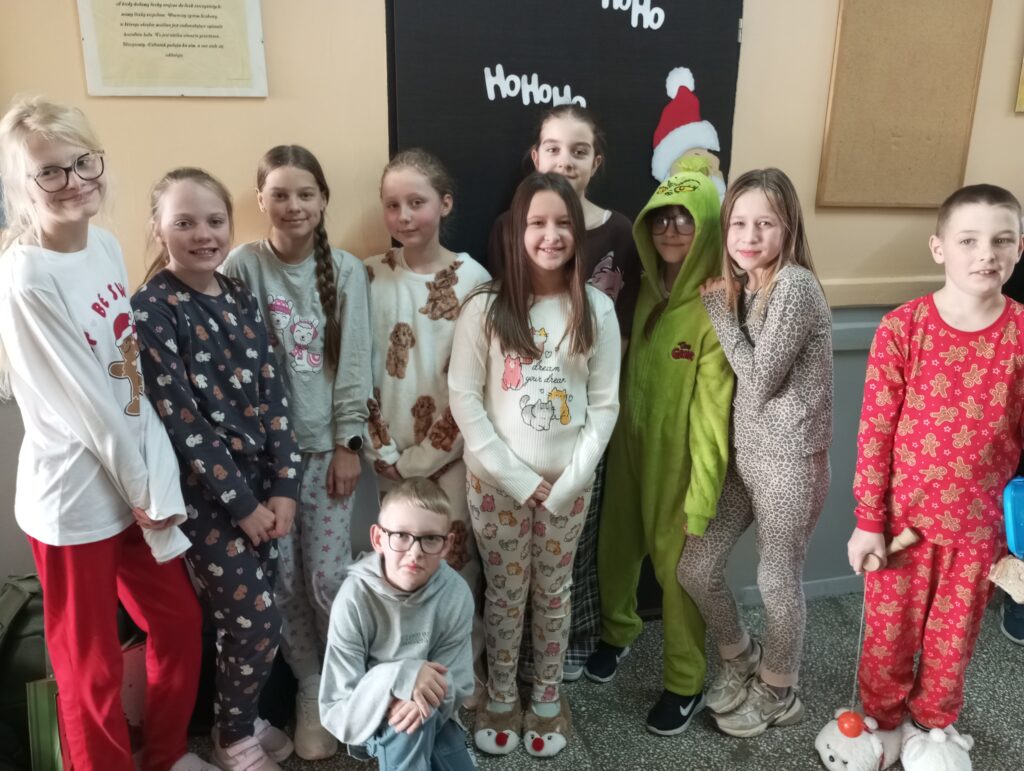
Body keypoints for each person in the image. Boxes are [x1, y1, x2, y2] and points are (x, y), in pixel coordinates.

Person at [0, 97, 211, 771]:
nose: (74, 181)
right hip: (75, 503)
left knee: (178, 623)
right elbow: (88, 406)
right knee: (87, 668)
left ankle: (166, 756)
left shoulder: (106, 245)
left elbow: (129, 382)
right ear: (22, 185)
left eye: (83, 162)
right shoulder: (28, 276)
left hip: (130, 486)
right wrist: (144, 489)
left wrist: (150, 482)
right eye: (50, 171)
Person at [845, 183, 1024, 769]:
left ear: (1019, 249)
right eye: (968, 240)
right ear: (939, 247)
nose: (986, 254)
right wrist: (868, 521)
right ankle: (881, 724)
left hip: (978, 533)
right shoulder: (903, 328)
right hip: (902, 529)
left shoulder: (1022, 334)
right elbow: (875, 433)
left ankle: (933, 730)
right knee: (886, 639)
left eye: (1001, 240)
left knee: (953, 645)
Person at [133, 168, 304, 771]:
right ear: (158, 229)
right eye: (184, 222)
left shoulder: (237, 294)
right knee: (255, 619)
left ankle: (242, 716)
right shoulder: (151, 310)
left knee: (251, 618)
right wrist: (243, 506)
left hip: (261, 487)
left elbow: (273, 391)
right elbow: (182, 423)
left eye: (214, 221)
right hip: (206, 499)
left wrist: (284, 485)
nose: (203, 234)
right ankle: (231, 737)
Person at [450, 171, 621, 757]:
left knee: (553, 591)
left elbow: (604, 404)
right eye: (537, 223)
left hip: (568, 485)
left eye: (563, 223)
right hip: (495, 484)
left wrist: (570, 480)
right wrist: (517, 478)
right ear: (516, 231)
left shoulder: (596, 308)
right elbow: (465, 399)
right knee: (504, 592)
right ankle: (502, 691)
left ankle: (547, 693)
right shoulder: (485, 307)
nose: (551, 235)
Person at [222, 145, 371, 760]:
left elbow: (355, 361)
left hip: (325, 452)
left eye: (305, 193)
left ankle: (347, 685)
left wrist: (348, 444)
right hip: (263, 462)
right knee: (281, 581)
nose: (293, 205)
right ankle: (311, 687)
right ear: (260, 199)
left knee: (327, 576)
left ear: (323, 200)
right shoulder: (242, 265)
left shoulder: (348, 271)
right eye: (279, 194)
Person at [676, 168, 833, 737]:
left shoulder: (793, 286)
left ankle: (779, 690)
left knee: (777, 580)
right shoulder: (748, 286)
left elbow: (759, 378)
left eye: (764, 223)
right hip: (745, 457)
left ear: (788, 227)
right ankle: (742, 658)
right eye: (738, 223)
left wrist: (718, 313)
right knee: (696, 568)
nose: (748, 235)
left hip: (790, 461)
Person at [487, 105, 640, 682]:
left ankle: (569, 642)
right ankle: (511, 661)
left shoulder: (617, 233)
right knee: (510, 572)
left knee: (573, 550)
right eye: (553, 148)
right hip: (515, 433)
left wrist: (590, 438)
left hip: (581, 418)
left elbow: (621, 329)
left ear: (596, 161)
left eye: (578, 150)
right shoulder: (508, 229)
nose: (564, 160)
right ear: (536, 156)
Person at [587, 162, 733, 736]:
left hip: (679, 463)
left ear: (708, 226)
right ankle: (617, 632)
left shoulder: (714, 308)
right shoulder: (644, 288)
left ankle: (684, 680)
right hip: (626, 446)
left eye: (685, 220)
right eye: (661, 219)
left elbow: (713, 416)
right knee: (615, 548)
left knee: (677, 575)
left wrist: (702, 496)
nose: (670, 230)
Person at [365, 148, 490, 701]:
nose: (404, 216)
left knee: (455, 565)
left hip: (449, 459)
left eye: (416, 202)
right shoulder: (368, 275)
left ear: (445, 203)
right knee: (397, 568)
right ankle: (403, 672)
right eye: (392, 205)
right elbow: (355, 369)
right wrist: (382, 449)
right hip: (385, 457)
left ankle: (462, 670)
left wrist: (423, 458)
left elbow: (474, 382)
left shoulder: (473, 280)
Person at [319, 477, 476, 771]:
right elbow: (338, 708)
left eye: (431, 538)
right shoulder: (353, 598)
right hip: (374, 714)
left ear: (447, 545)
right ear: (378, 538)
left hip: (434, 709)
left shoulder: (456, 594)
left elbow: (458, 679)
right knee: (409, 728)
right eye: (401, 535)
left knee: (425, 723)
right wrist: (403, 676)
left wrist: (422, 698)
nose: (415, 553)